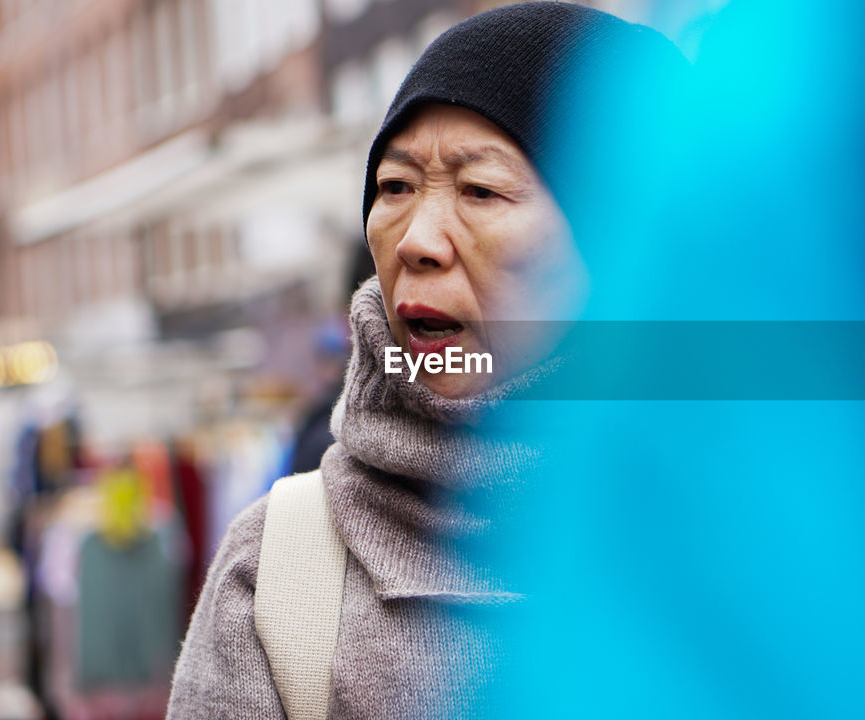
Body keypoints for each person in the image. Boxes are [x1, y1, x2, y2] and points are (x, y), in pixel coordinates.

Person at [166, 4, 684, 718]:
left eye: (480, 190)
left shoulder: (784, 529)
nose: (416, 240)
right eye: (396, 187)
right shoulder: (281, 565)